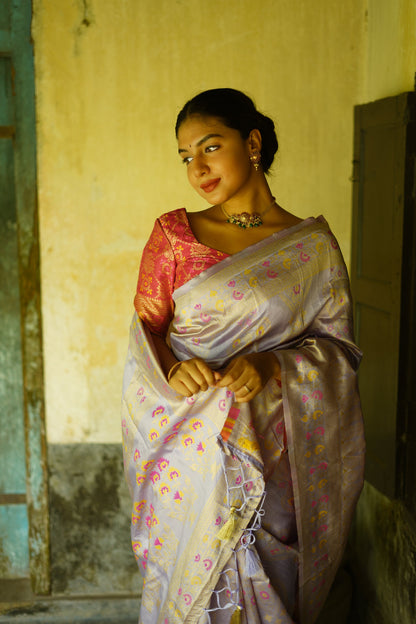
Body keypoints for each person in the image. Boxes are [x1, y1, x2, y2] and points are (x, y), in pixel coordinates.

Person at [121, 88, 365, 624]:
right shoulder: (174, 237)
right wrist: (173, 368)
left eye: (210, 147)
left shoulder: (312, 248)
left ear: (251, 142)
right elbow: (147, 334)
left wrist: (272, 366)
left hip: (279, 461)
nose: (197, 167)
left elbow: (339, 351)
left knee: (266, 585)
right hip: (192, 453)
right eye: (186, 156)